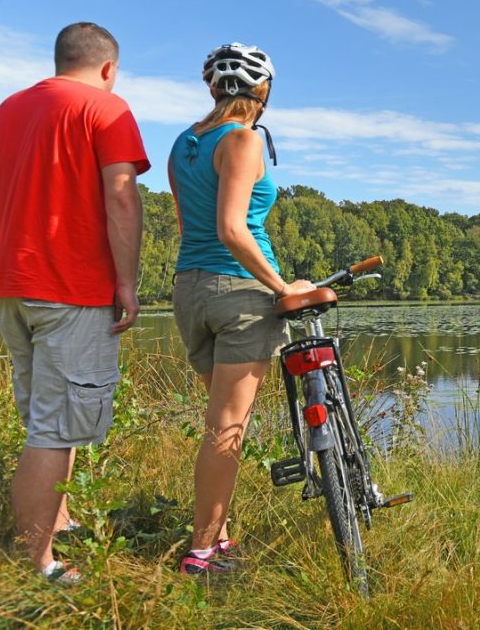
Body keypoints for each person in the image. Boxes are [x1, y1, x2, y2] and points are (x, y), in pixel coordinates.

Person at [0, 22, 150, 584]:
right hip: (70, 288)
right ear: (108, 67)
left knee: (43, 415)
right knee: (54, 430)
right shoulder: (105, 109)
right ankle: (39, 565)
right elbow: (121, 195)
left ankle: (56, 523)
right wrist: (127, 282)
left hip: (11, 287)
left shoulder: (7, 110)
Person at [168, 43, 313, 575]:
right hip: (240, 294)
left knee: (219, 424)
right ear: (264, 90)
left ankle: (219, 536)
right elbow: (232, 228)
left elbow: (192, 227)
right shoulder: (243, 140)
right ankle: (202, 553)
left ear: (212, 88)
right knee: (227, 428)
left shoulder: (185, 143)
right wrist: (280, 285)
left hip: (190, 290)